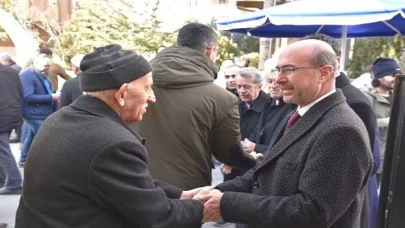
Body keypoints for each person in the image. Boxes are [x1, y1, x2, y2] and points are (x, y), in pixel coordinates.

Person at [15, 44, 207, 228]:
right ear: (122, 94)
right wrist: (208, 207)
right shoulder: (113, 143)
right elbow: (158, 216)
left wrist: (180, 195)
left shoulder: (60, 119)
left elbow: (125, 183)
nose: (152, 97)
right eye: (147, 87)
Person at [195, 39, 373, 228]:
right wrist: (216, 190)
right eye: (277, 70)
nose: (279, 79)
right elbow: (264, 174)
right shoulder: (300, 114)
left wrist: (226, 204)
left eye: (289, 70)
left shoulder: (341, 130)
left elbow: (313, 212)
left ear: (324, 73)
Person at [130, 23, 258, 191]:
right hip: (185, 193)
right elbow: (229, 154)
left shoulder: (131, 86)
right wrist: (254, 160)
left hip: (133, 183)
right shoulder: (221, 99)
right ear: (210, 51)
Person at [301, 33, 379, 228]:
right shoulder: (312, 95)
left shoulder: (354, 103)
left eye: (298, 66)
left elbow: (357, 168)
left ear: (332, 63)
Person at [364, 57, 401, 185]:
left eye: (398, 75)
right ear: (379, 76)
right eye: (392, 74)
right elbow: (363, 123)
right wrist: (388, 122)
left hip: (394, 159)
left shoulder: (399, 96)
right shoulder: (366, 97)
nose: (395, 78)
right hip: (375, 160)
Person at [18, 54, 60, 166]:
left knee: (32, 136)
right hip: (33, 113)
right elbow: (27, 97)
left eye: (50, 65)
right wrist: (52, 97)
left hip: (41, 112)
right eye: (46, 65)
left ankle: (23, 159)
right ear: (36, 62)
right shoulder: (27, 75)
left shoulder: (41, 73)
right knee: (46, 137)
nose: (48, 68)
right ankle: (47, 163)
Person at [243, 72, 295, 155]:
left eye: (278, 82)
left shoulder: (293, 107)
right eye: (270, 81)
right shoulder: (267, 102)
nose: (273, 86)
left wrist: (256, 148)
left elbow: (287, 145)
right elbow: (258, 130)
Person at [0, 64, 23, 195]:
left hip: (3, 114)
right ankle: (4, 179)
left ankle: (13, 183)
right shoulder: (10, 71)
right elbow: (20, 92)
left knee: (3, 151)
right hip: (12, 113)